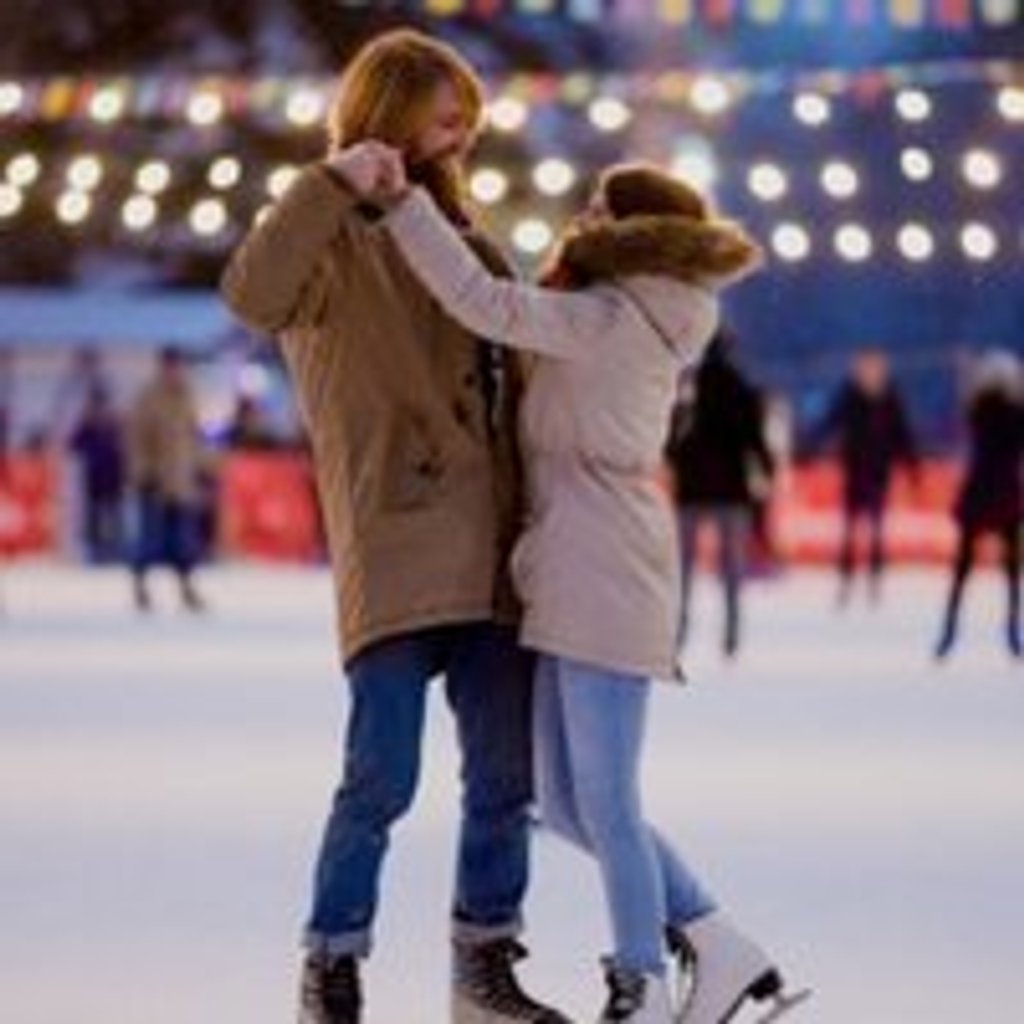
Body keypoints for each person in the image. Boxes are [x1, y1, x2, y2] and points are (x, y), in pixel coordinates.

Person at [350, 147, 807, 1023]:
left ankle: (640, 979)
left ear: (637, 229)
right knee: (563, 803)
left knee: (605, 800)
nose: (584, 218)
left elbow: (482, 303)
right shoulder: (617, 311)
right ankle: (716, 940)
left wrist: (406, 205)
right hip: (579, 563)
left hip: (603, 568)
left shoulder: (608, 314)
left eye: (601, 207)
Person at [220, 30, 567, 1024]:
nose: (462, 134)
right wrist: (326, 183)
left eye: (468, 118)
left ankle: (483, 964)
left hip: (494, 550)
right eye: (446, 111)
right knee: (380, 775)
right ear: (394, 108)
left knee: (506, 778)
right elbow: (250, 294)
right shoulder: (324, 246)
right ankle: (331, 964)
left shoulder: (469, 240)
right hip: (397, 534)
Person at [664, 329, 775, 658]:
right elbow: (754, 439)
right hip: (733, 493)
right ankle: (731, 635)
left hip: (692, 492)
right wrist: (768, 473)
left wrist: (680, 464)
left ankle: (679, 631)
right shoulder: (743, 389)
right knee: (731, 569)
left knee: (683, 568)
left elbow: (670, 441)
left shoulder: (689, 390)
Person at [806, 349, 918, 606]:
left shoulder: (889, 397)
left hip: (879, 471)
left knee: (876, 530)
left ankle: (874, 582)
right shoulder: (850, 395)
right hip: (855, 470)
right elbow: (831, 422)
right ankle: (846, 581)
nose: (868, 373)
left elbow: (902, 432)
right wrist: (810, 448)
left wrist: (912, 465)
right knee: (850, 529)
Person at [934, 350, 1023, 659]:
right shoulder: (1014, 412)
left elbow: (968, 408)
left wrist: (968, 377)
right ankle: (1012, 634)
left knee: (962, 571)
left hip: (980, 493)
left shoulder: (980, 409)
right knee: (1012, 573)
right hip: (1008, 496)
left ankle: (948, 632)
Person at [126, 346, 206, 613]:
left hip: (182, 482)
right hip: (155, 481)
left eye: (179, 365)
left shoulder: (188, 395)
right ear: (163, 367)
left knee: (183, 540)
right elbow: (136, 439)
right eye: (171, 365)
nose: (175, 371)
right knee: (151, 538)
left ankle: (187, 589)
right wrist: (142, 472)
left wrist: (203, 468)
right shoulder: (148, 397)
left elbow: (194, 437)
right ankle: (140, 587)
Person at [69, 387, 126, 563]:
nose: (100, 409)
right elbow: (73, 444)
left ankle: (114, 550)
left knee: (114, 516)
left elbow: (125, 448)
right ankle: (95, 551)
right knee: (93, 517)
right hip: (94, 479)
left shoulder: (114, 424)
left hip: (113, 478)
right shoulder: (88, 425)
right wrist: (85, 423)